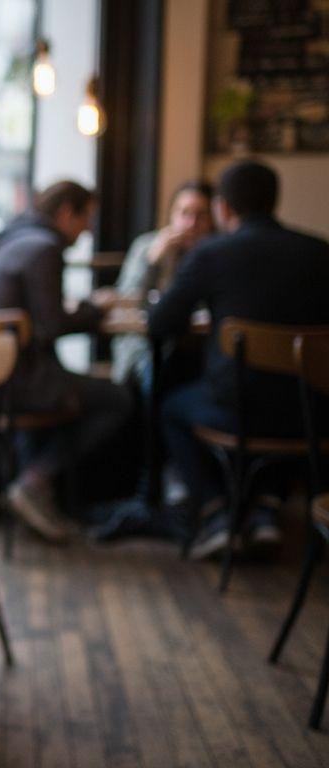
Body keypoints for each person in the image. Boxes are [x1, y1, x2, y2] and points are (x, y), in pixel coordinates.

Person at [150, 159, 329, 560]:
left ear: (223, 208)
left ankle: (218, 510)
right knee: (283, 396)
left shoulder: (213, 254)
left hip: (237, 410)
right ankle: (265, 506)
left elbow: (160, 324)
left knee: (172, 407)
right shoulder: (321, 253)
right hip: (314, 410)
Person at [0, 181, 132, 542]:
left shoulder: (12, 239)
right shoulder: (45, 247)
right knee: (117, 398)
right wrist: (95, 308)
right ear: (65, 212)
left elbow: (40, 320)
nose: (88, 229)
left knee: (75, 391)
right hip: (18, 382)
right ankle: (35, 481)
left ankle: (31, 489)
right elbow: (54, 324)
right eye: (86, 217)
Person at [111, 180, 215, 387]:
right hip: (144, 345)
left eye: (200, 215)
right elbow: (127, 300)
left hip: (200, 346)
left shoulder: (215, 252)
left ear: (212, 220)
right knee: (156, 375)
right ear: (171, 215)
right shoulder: (147, 246)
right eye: (184, 213)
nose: (191, 223)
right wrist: (153, 261)